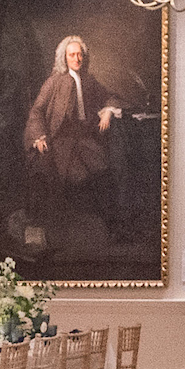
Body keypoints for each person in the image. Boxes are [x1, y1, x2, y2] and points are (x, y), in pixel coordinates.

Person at [23, 34, 127, 230]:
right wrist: (38, 136)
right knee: (78, 179)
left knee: (104, 173)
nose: (76, 59)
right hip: (61, 141)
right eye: (72, 55)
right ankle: (75, 229)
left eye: (79, 54)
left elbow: (111, 97)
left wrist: (107, 111)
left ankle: (110, 228)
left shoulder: (89, 80)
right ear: (64, 57)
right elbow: (37, 110)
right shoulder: (54, 82)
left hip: (84, 139)